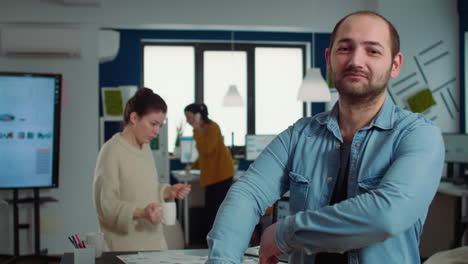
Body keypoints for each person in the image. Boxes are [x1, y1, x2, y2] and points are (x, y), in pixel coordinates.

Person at [206, 11, 445, 264]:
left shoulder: (419, 135)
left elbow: (388, 214)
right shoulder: (300, 135)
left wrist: (285, 232)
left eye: (372, 51)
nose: (356, 60)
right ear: (329, 60)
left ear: (395, 65)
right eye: (345, 48)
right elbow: (247, 193)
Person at [93, 88, 191, 251]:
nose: (157, 131)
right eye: (153, 124)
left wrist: (168, 191)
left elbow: (146, 189)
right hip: (125, 249)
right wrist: (142, 213)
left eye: (160, 125)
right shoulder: (111, 151)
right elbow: (106, 205)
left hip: (154, 245)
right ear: (134, 118)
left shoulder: (145, 149)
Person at [184, 103, 235, 237]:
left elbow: (207, 149)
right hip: (212, 176)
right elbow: (204, 156)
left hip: (221, 174)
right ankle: (211, 239)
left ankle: (218, 239)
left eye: (189, 117)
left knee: (216, 210)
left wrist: (196, 130)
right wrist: (193, 166)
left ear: (198, 115)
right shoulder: (201, 129)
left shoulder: (212, 127)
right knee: (210, 209)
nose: (187, 120)